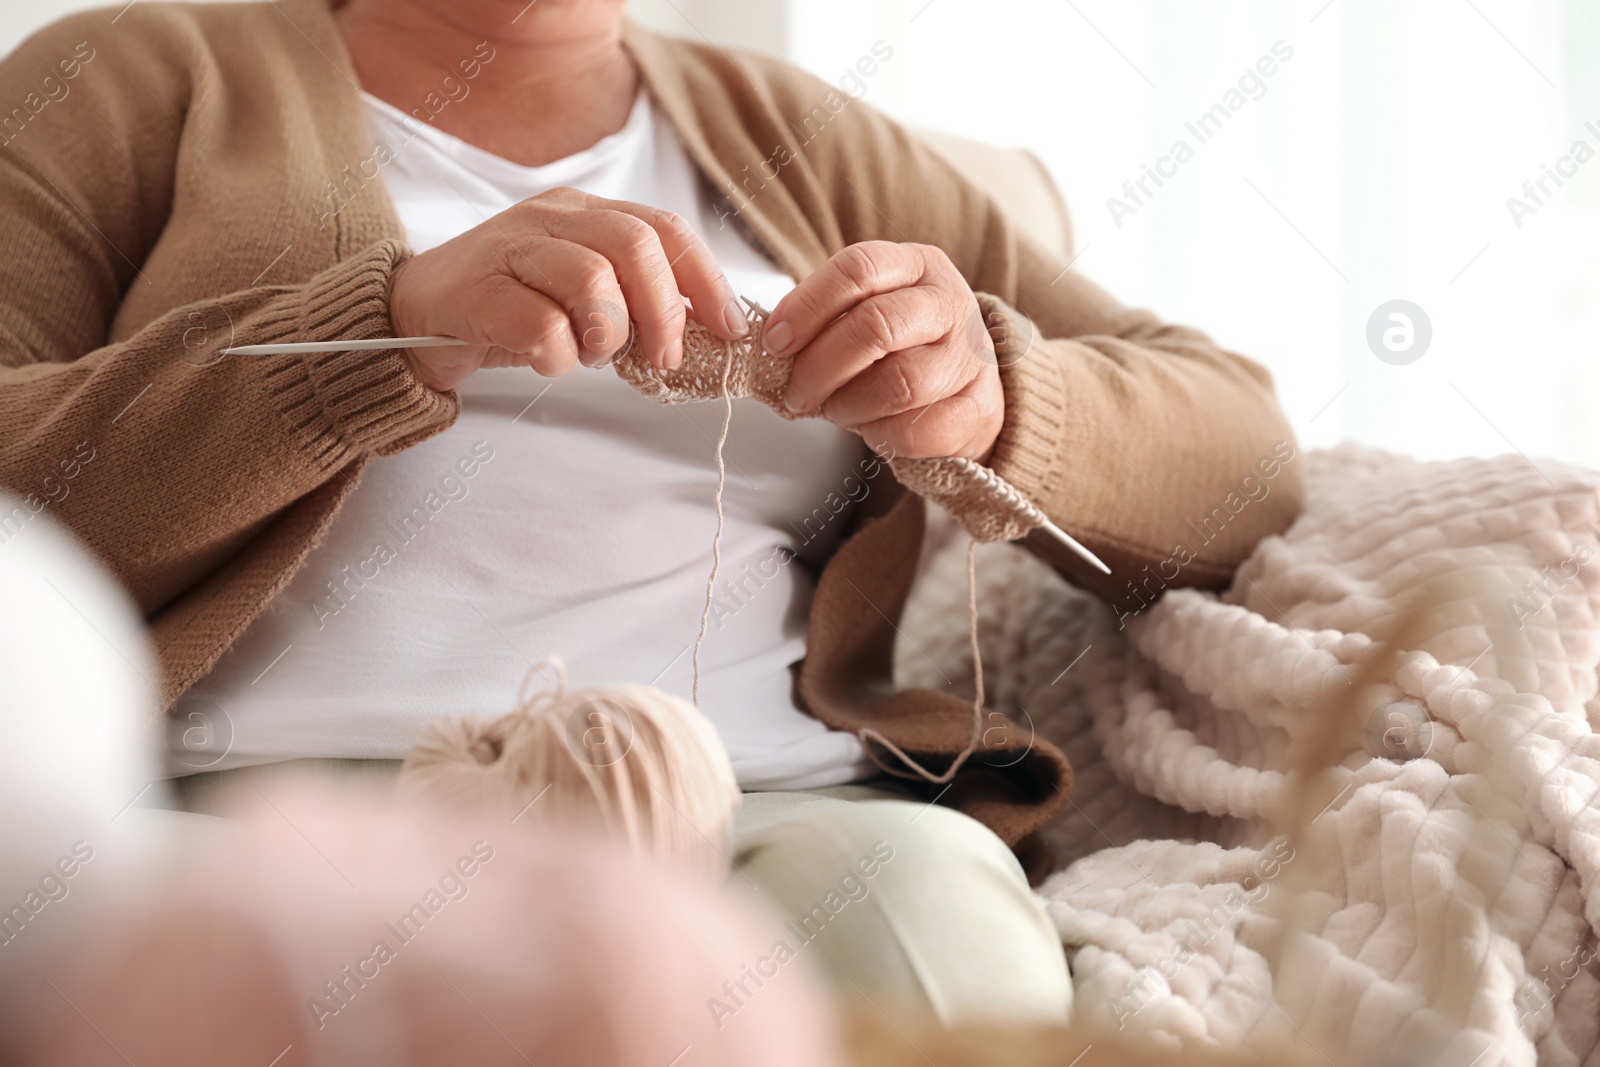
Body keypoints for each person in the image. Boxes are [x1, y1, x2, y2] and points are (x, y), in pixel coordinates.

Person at [0, 0, 1301, 1026]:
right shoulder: (133, 76)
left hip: (754, 811)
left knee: (926, 932)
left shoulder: (808, 141)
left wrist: (998, 394)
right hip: (235, 806)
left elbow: (1244, 457)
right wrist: (382, 332)